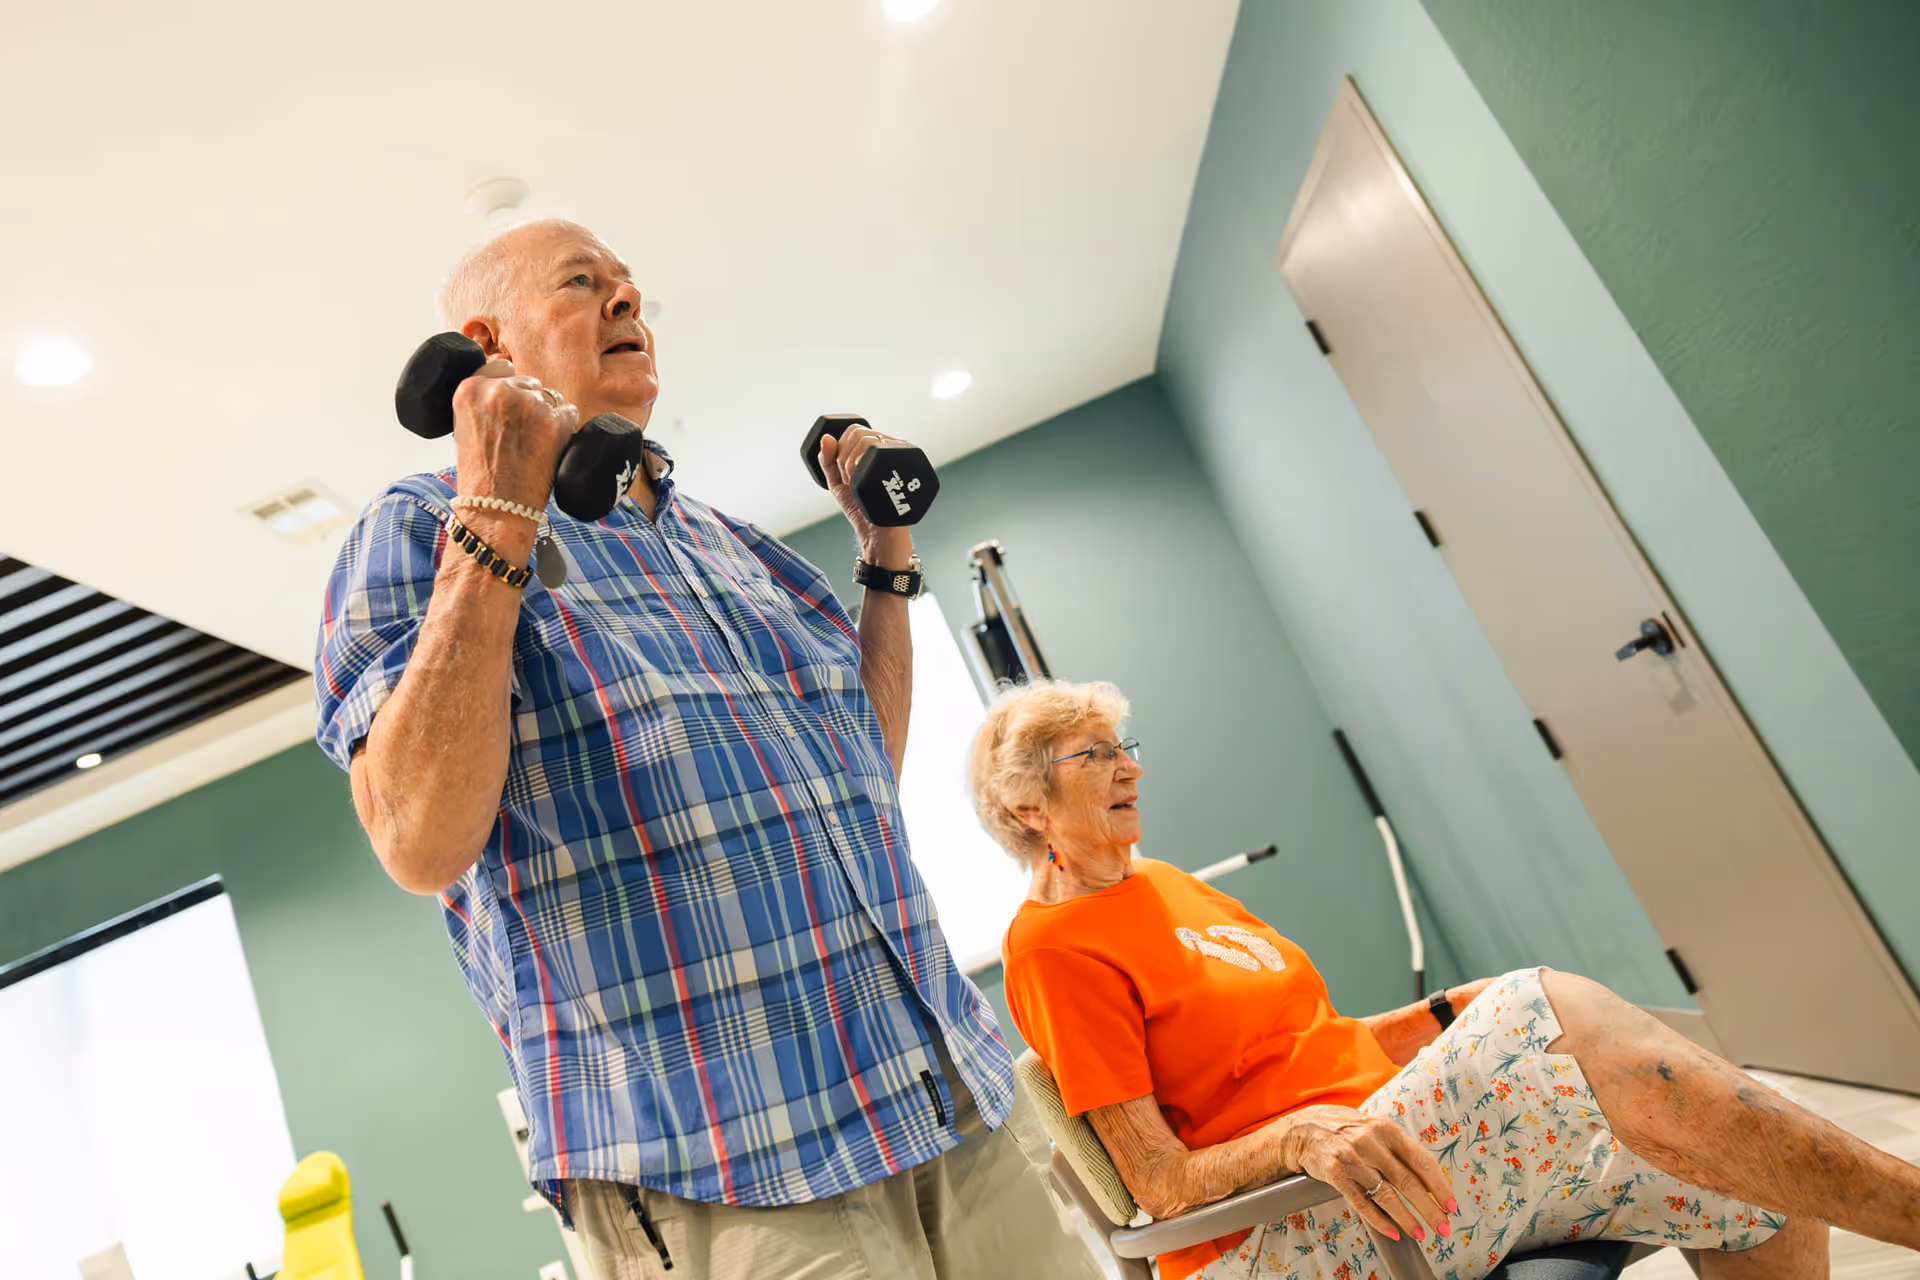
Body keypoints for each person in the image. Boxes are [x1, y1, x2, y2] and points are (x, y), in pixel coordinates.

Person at [314, 219, 1098, 1280]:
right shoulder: (417, 527)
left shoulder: (727, 540)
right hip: (723, 1162)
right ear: (483, 343)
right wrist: (497, 506)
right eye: (584, 282)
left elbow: (864, 770)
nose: (628, 300)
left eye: (632, 283)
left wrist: (886, 558)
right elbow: (417, 837)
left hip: (949, 1098)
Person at [970, 679, 1920, 1280]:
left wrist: (1435, 1016)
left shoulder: (1166, 884)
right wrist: (1297, 1135)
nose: (1126, 766)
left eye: (1126, 745)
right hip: (1280, 1238)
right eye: (1092, 755)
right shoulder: (1052, 948)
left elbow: (1312, 1047)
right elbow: (1160, 1184)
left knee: (1756, 1178)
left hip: (1391, 1157)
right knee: (1543, 1004)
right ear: (1025, 803)